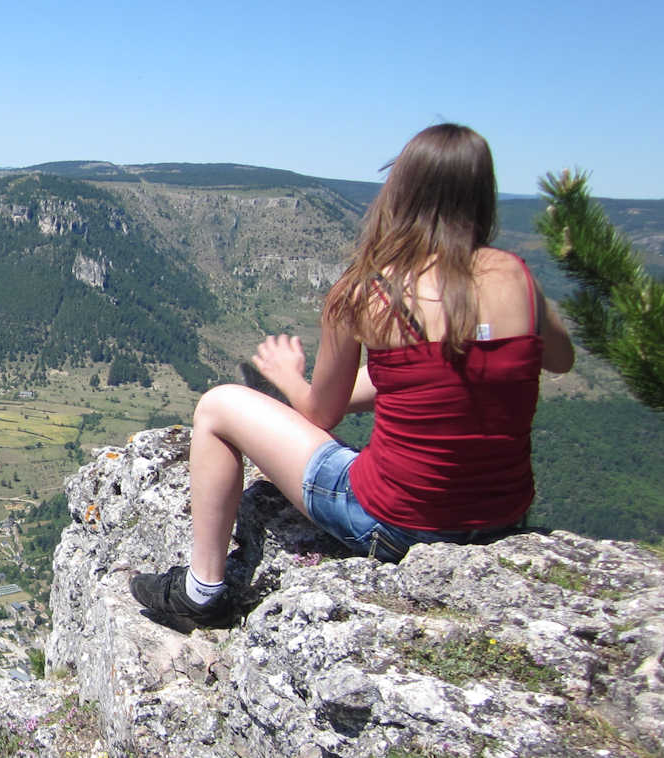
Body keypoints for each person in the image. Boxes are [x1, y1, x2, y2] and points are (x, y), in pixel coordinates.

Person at [131, 124, 576, 626]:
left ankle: (201, 589)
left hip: (393, 523)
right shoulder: (518, 276)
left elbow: (322, 413)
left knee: (216, 407)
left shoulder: (373, 290)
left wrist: (289, 374)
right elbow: (559, 359)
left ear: (401, 190)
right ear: (482, 194)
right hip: (502, 522)